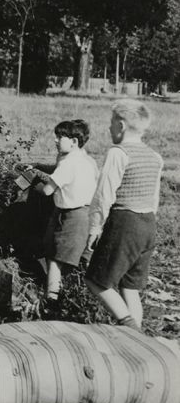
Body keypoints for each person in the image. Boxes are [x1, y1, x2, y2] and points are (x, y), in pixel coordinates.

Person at [85, 100, 163, 331]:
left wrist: (95, 227)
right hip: (148, 223)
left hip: (125, 221)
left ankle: (129, 328)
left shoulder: (118, 153)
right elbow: (155, 199)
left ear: (121, 125)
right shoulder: (155, 157)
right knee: (130, 288)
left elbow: (104, 194)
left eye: (111, 123)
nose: (109, 128)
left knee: (96, 281)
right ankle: (136, 339)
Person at [19, 119, 98, 307]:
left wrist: (27, 181)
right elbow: (58, 173)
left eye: (60, 137)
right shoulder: (87, 160)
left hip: (71, 216)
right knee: (78, 258)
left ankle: (51, 300)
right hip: (87, 213)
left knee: (54, 259)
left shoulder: (68, 163)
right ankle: (80, 297)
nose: (55, 140)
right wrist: (39, 168)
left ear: (74, 142)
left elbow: (47, 190)